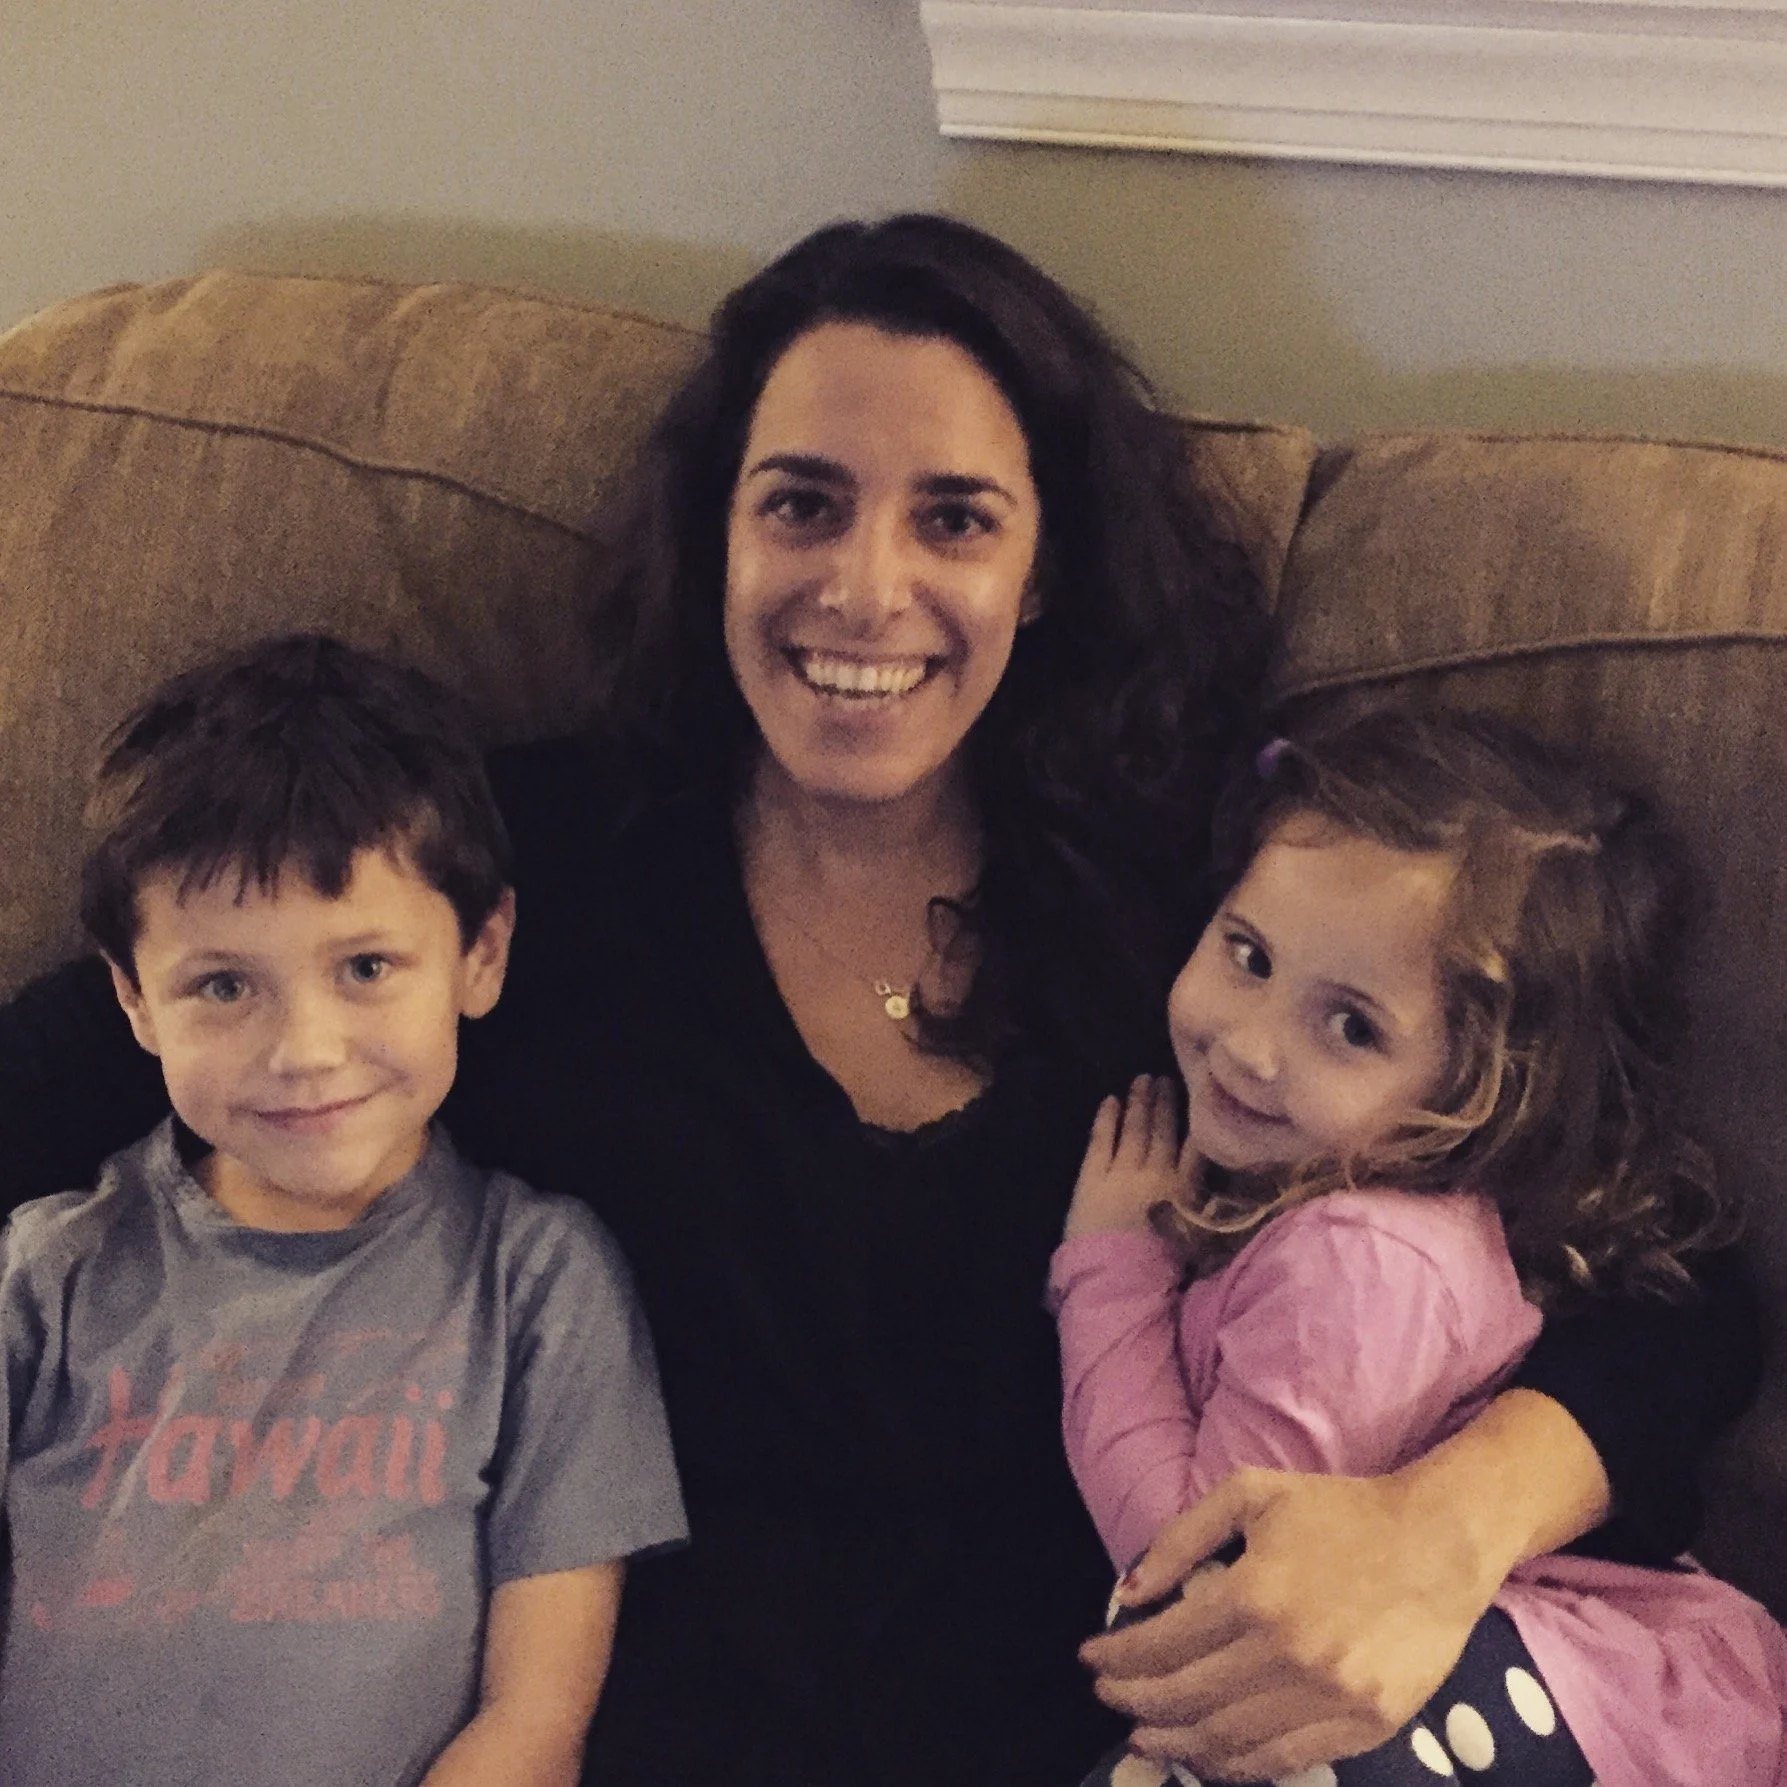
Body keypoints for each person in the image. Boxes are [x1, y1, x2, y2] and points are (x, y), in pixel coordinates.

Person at [0, 216, 1761, 1784]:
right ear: (718, 538)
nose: (863, 588)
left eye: (955, 519)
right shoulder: (507, 871)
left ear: (1041, 567)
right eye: (802, 503)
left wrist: (1438, 1527)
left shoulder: (1217, 926)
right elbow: (94, 1043)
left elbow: (1666, 1277)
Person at [0, 637, 687, 1786]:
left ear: (482, 953)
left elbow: (536, 1718)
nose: (303, 1050)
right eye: (224, 984)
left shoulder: (538, 1280)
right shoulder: (47, 1274)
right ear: (133, 998)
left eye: (366, 966)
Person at [1055, 709, 1787, 1786]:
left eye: (1351, 1025)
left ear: (1473, 1091)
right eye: (1246, 953)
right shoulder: (1333, 1199)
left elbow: (1192, 1568)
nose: (1249, 1045)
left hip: (1562, 1697)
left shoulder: (1355, 1262)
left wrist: (1108, 1270)